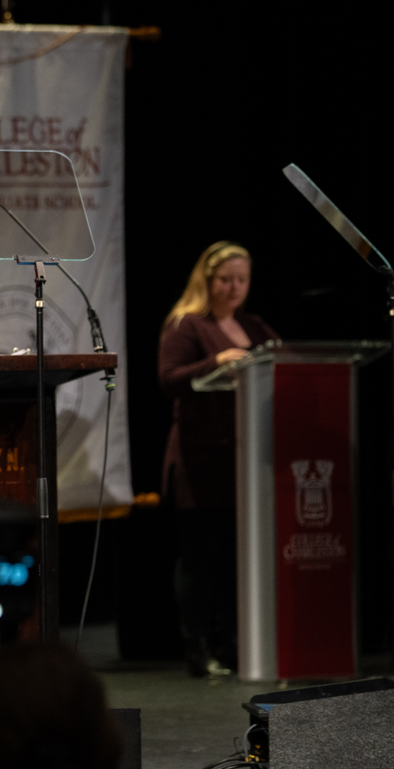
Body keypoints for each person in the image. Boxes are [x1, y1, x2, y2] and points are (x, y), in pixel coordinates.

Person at [158, 241, 278, 677]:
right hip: (200, 463)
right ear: (207, 280)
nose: (234, 288)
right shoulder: (187, 325)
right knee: (200, 558)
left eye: (241, 280)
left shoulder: (255, 326)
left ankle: (234, 640)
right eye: (225, 279)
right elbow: (169, 379)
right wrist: (217, 361)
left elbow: (280, 367)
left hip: (246, 463)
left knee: (237, 558)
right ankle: (198, 645)